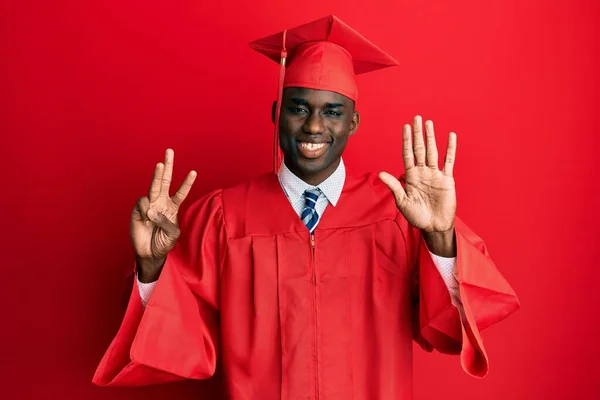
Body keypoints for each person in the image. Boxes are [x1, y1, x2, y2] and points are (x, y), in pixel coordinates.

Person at [92, 15, 520, 399]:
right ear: (277, 113)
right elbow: (182, 343)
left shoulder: (397, 212)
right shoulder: (224, 217)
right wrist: (151, 267)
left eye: (332, 111)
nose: (314, 126)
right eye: (299, 108)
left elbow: (447, 329)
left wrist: (439, 236)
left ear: (352, 122)